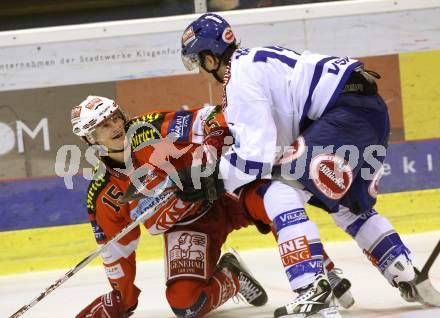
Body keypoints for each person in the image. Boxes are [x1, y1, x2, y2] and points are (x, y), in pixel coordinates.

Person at [180, 13, 440, 318]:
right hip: (370, 113)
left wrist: (211, 177)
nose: (201, 70)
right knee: (348, 207)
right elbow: (278, 144)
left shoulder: (239, 79)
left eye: (199, 61)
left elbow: (257, 156)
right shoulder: (257, 61)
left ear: (210, 59)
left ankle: (312, 290)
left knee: (281, 192)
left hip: (345, 115)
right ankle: (405, 271)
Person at [70, 96, 268, 318]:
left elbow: (212, 116)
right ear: (90, 138)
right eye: (105, 125)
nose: (116, 126)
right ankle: (233, 276)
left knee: (274, 204)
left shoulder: (150, 128)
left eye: (116, 118)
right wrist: (122, 297)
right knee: (185, 304)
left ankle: (310, 282)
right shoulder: (103, 193)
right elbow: (116, 250)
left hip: (222, 188)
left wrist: (211, 159)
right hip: (191, 225)